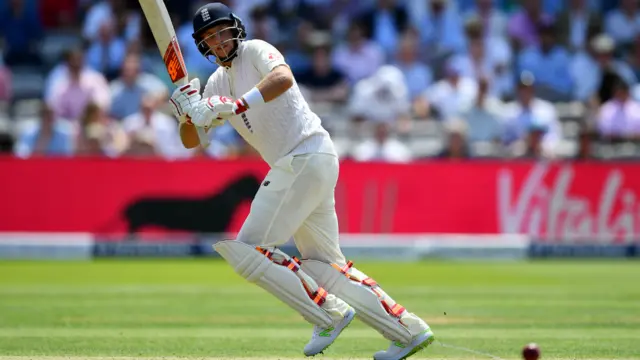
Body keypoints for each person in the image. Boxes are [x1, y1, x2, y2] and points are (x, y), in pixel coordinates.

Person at [168, 3, 434, 359]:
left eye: (221, 31)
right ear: (203, 45)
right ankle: (408, 330)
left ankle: (329, 312)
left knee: (249, 248)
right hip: (305, 164)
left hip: (304, 155)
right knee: (322, 265)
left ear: (235, 28)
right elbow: (193, 139)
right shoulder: (217, 81)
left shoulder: (256, 50)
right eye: (209, 37)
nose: (218, 41)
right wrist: (188, 114)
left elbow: (283, 79)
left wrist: (236, 105)